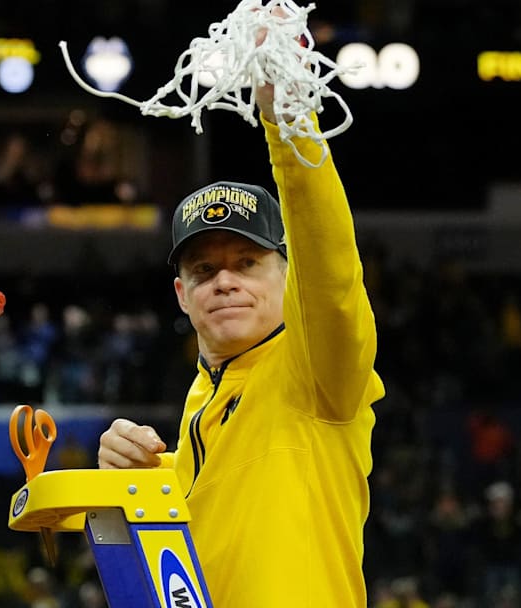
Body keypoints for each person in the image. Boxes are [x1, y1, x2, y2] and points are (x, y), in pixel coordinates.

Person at [96, 32, 385, 607]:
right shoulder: (202, 404)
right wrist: (126, 479)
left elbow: (330, 268)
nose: (224, 280)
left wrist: (288, 123)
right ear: (182, 295)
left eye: (248, 263)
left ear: (287, 276)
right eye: (204, 270)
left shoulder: (316, 375)